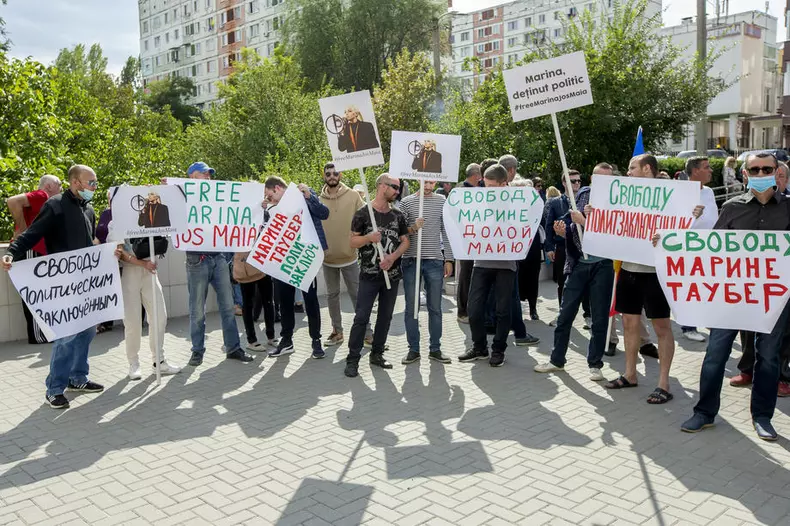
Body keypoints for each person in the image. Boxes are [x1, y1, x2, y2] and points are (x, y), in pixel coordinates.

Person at [680, 152, 790, 440]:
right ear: (745, 174)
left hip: (772, 300)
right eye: (755, 169)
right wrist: (669, 242)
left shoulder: (789, 209)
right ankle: (704, 412)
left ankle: (762, 417)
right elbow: (711, 250)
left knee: (768, 358)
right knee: (715, 354)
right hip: (730, 300)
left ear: (777, 172)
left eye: (767, 168)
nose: (761, 172)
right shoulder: (730, 208)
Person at [2, 165, 105, 409]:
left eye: (95, 183)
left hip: (85, 282)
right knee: (67, 335)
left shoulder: (88, 209)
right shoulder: (55, 205)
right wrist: (12, 253)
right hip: (62, 285)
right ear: (76, 182)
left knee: (88, 330)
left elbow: (89, 244)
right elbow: (32, 233)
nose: (94, 187)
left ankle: (78, 378)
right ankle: (54, 389)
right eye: (91, 182)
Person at [598, 154, 681, 404]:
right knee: (629, 324)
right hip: (629, 270)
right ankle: (630, 374)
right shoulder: (626, 195)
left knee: (662, 328)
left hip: (657, 273)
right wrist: (594, 214)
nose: (628, 172)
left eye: (632, 167)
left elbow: (683, 228)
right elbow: (613, 223)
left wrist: (673, 230)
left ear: (647, 169)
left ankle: (663, 383)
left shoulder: (672, 195)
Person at [534, 162, 617, 381]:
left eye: (607, 178)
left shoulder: (620, 199)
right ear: (592, 178)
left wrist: (586, 221)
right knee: (565, 314)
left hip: (604, 265)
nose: (603, 183)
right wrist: (565, 231)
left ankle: (595, 364)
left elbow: (618, 230)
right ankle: (557, 360)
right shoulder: (584, 194)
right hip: (579, 263)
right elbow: (573, 224)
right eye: (599, 178)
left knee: (599, 318)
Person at [180, 162, 254, 367]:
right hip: (196, 260)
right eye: (204, 174)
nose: (208, 178)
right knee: (197, 310)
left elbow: (236, 210)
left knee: (228, 306)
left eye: (210, 175)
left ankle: (233, 348)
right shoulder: (181, 196)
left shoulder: (217, 196)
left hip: (219, 257)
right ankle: (197, 351)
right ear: (191, 176)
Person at [458, 164, 531, 368]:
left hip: (506, 263)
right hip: (481, 260)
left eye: (492, 186)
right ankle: (479, 347)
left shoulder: (517, 203)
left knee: (502, 309)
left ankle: (498, 349)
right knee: (474, 307)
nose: (487, 190)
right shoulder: (479, 200)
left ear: (504, 184)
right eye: (485, 185)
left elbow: (527, 223)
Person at [344, 174, 409, 377]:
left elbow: (405, 241)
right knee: (362, 317)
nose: (397, 191)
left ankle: (377, 353)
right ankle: (352, 359)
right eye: (394, 187)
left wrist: (392, 257)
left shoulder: (397, 215)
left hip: (392, 275)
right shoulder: (363, 214)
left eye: (398, 188)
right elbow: (352, 242)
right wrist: (368, 238)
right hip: (369, 275)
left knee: (385, 317)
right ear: (381, 186)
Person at [264, 176, 329, 359]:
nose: (269, 198)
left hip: (304, 258)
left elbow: (324, 213)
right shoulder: (270, 208)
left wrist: (309, 195)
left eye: (269, 195)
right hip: (282, 261)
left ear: (277, 188)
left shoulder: (303, 195)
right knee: (284, 302)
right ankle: (286, 341)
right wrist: (263, 210)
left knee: (311, 301)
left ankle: (316, 341)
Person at [400, 180, 454, 365]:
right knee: (411, 307)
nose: (428, 184)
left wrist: (449, 258)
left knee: (435, 308)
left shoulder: (442, 201)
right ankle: (413, 349)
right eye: (425, 180)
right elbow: (400, 231)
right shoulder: (406, 202)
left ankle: (435, 348)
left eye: (432, 180)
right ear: (418, 179)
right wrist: (414, 227)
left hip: (434, 261)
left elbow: (446, 231)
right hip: (411, 260)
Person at [318, 162, 372, 347]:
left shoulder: (353, 195)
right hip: (328, 259)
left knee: (358, 296)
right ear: (324, 176)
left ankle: (367, 334)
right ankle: (337, 332)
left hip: (349, 257)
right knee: (332, 297)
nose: (332, 176)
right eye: (328, 173)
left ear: (340, 175)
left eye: (335, 173)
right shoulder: (318, 200)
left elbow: (368, 216)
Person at [6, 174, 63, 344]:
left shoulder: (44, 200)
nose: (61, 189)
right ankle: (38, 336)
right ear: (49, 186)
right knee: (35, 292)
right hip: (32, 248)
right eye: (59, 185)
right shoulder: (42, 195)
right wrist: (23, 229)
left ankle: (42, 333)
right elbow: (12, 201)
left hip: (36, 249)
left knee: (41, 292)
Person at [116, 241, 181, 379]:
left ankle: (159, 361)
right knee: (132, 321)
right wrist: (142, 264)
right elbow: (119, 251)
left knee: (160, 317)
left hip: (150, 271)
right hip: (129, 272)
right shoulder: (117, 221)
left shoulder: (151, 219)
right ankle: (133, 363)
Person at [542, 170, 591, 328]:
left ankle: (588, 314)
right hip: (562, 246)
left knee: (587, 281)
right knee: (563, 282)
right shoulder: (555, 202)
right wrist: (549, 247)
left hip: (584, 246)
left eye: (578, 180)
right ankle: (563, 314)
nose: (577, 183)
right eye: (573, 181)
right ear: (564, 183)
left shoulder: (588, 200)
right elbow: (548, 225)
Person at [679, 156, 718, 343]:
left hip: (709, 247)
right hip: (690, 248)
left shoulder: (709, 192)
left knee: (708, 285)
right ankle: (688, 326)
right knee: (690, 287)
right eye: (706, 167)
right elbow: (676, 224)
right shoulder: (681, 193)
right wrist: (693, 217)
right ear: (695, 171)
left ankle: (707, 319)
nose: (711, 170)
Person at [233, 241, 277, 352]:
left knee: (268, 301)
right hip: (247, 263)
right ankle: (252, 340)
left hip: (262, 261)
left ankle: (271, 336)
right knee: (248, 304)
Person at [513, 176, 544, 320]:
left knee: (533, 277)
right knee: (516, 278)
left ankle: (533, 308)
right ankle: (517, 309)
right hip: (514, 247)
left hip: (532, 246)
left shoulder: (536, 205)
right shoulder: (509, 207)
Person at [456, 163, 483, 323]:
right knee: (465, 275)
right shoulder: (460, 191)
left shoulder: (480, 190)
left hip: (479, 240)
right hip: (465, 241)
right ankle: (463, 311)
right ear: (476, 176)